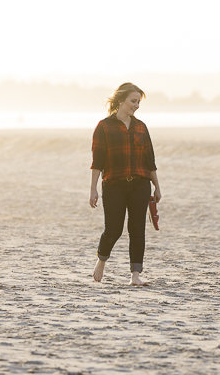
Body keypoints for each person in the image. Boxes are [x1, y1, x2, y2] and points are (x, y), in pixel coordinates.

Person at [89, 83, 161, 286]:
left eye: (138, 102)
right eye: (133, 101)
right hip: (114, 185)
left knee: (137, 229)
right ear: (120, 100)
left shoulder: (141, 127)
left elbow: (150, 160)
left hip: (140, 184)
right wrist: (93, 189)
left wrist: (157, 186)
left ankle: (135, 275)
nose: (136, 105)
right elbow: (97, 162)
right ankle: (101, 260)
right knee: (114, 229)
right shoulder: (104, 127)